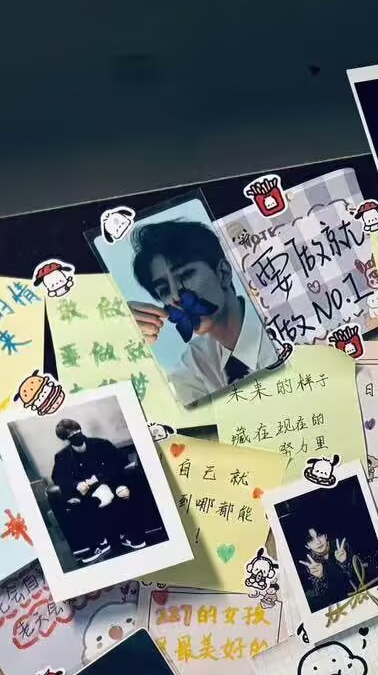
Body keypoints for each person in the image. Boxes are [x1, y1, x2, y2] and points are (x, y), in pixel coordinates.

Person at [126, 219, 272, 404]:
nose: (175, 296)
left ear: (223, 273)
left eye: (185, 275)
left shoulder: (282, 323)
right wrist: (128, 350)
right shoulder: (192, 366)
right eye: (164, 290)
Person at [48, 416, 150, 565]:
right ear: (65, 440)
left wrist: (102, 479)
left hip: (110, 484)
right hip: (86, 494)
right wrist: (76, 485)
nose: (76, 436)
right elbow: (59, 478)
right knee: (78, 505)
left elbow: (120, 464)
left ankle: (130, 535)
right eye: (71, 435)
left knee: (124, 493)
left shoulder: (102, 444)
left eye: (77, 431)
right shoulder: (62, 456)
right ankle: (99, 544)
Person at [298, 525, 371, 609]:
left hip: (359, 594)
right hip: (338, 603)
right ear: (307, 546)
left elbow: (359, 577)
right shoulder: (310, 563)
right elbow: (323, 598)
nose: (318, 542)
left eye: (319, 536)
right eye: (311, 540)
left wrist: (344, 562)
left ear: (325, 536)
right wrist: (320, 577)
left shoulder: (340, 546)